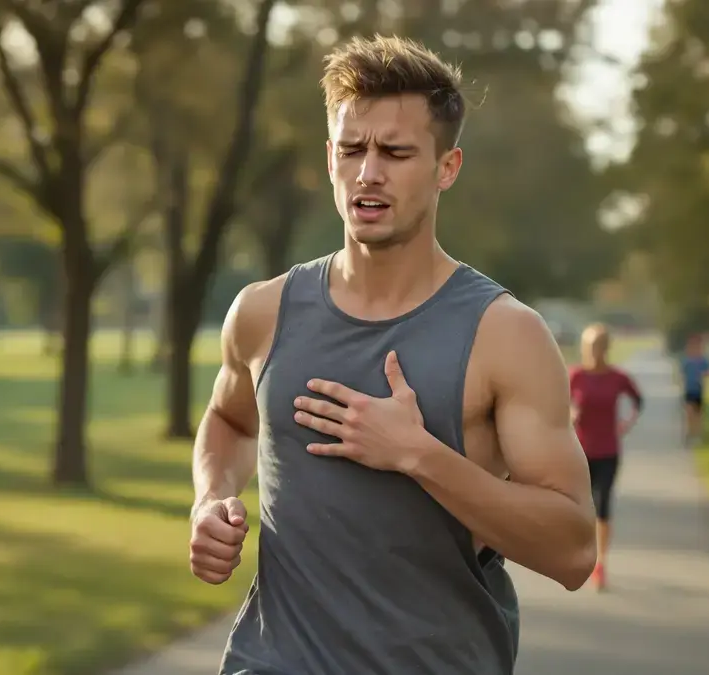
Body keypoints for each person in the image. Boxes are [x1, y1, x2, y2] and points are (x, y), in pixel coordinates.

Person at [188, 35, 597, 675]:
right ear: (330, 159)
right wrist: (211, 498)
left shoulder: (505, 334)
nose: (369, 172)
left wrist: (418, 454)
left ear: (447, 168)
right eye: (352, 150)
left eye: (397, 152)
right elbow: (231, 420)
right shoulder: (263, 312)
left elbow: (573, 552)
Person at [568, 323, 643, 591]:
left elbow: (638, 401)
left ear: (607, 348)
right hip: (579, 453)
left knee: (602, 506)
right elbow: (555, 405)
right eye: (590, 346)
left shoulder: (617, 377)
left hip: (608, 451)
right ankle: (580, 556)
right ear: (583, 348)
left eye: (599, 346)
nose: (594, 351)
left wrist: (625, 425)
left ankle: (600, 563)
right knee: (580, 507)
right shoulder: (574, 376)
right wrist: (570, 417)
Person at [679, 334, 709, 445]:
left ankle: (697, 435)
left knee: (698, 415)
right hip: (689, 390)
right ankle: (689, 434)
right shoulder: (687, 361)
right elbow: (682, 374)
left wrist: (704, 374)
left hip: (699, 390)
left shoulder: (704, 361)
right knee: (689, 413)